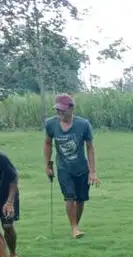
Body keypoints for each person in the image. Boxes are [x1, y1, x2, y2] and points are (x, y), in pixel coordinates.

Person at [44, 94, 99, 239]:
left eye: (62, 110)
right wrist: (47, 165)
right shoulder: (51, 124)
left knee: (80, 199)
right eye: (57, 110)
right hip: (64, 168)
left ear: (71, 108)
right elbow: (48, 143)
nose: (59, 113)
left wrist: (92, 172)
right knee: (69, 197)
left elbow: (90, 147)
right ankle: (74, 227)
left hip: (81, 168)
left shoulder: (83, 125)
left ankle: (76, 225)